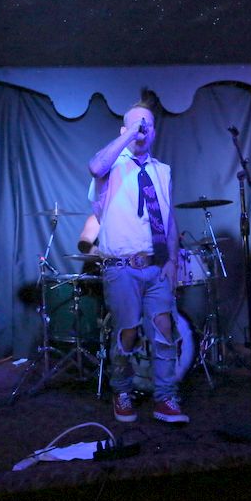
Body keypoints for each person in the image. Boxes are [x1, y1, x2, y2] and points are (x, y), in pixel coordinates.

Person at [88, 95, 189, 423]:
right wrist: (131, 133)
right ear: (124, 130)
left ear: (156, 131)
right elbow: (95, 166)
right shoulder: (111, 167)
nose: (143, 129)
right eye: (135, 124)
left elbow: (169, 218)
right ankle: (121, 390)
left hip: (156, 266)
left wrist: (172, 261)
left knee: (164, 330)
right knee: (127, 332)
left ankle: (165, 397)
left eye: (148, 125)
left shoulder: (163, 171)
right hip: (122, 268)